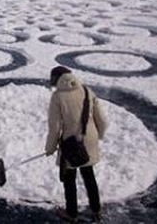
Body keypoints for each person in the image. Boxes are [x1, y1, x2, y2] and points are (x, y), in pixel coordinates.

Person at [44, 66, 108, 223]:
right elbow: (103, 120)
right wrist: (97, 136)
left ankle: (71, 213)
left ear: (57, 79)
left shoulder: (58, 97)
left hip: (71, 144)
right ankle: (96, 210)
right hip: (89, 140)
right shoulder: (86, 90)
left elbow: (55, 127)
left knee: (69, 178)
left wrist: (50, 148)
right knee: (88, 174)